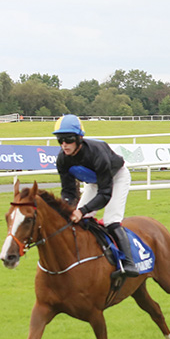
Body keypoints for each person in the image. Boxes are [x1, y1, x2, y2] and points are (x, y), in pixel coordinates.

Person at [53, 114, 139, 277]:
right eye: (60, 140)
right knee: (78, 221)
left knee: (111, 220)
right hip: (94, 182)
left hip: (117, 177)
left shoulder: (97, 152)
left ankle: (129, 263)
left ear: (79, 138)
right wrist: (68, 209)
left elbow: (105, 194)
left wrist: (82, 210)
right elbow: (69, 191)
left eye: (68, 139)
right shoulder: (62, 159)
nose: (64, 144)